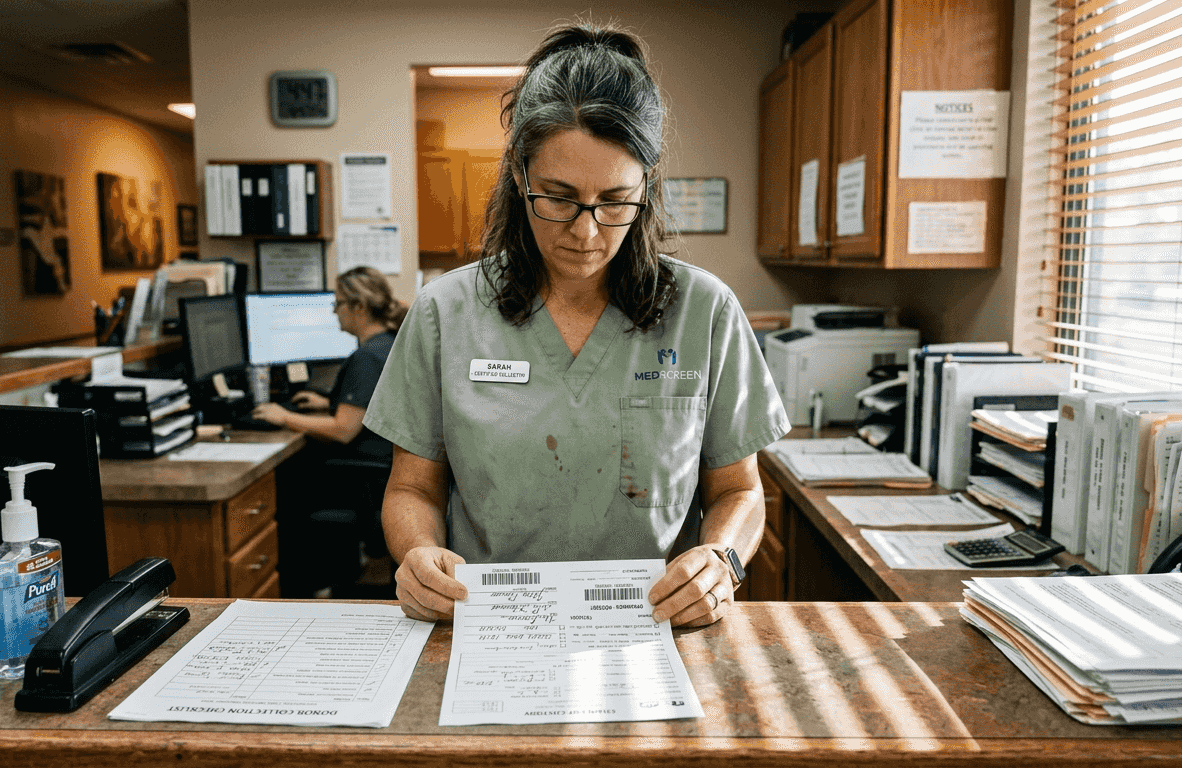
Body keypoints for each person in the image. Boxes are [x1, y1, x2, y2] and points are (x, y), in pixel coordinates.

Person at [362, 23, 790, 627]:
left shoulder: (705, 313)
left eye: (615, 200)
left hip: (652, 630)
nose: (586, 232)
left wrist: (722, 561)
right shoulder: (446, 312)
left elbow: (739, 492)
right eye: (558, 198)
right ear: (519, 175)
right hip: (490, 627)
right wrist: (417, 556)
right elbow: (413, 491)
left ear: (647, 182)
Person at [253, 266, 407, 596]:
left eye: (337, 304)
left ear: (358, 307)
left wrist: (283, 416)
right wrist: (326, 402)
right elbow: (367, 410)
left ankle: (303, 588)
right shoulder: (387, 344)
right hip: (380, 465)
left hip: (363, 474)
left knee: (285, 490)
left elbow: (343, 431)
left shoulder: (366, 356)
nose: (334, 312)